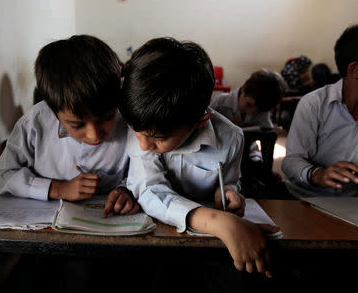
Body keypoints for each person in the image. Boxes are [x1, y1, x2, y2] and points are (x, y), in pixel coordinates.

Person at [119, 37, 280, 284]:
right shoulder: (145, 123)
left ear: (201, 120)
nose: (143, 145)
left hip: (204, 245)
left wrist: (227, 194)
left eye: (158, 138)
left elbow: (230, 182)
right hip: (155, 239)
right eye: (136, 131)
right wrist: (218, 222)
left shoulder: (232, 138)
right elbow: (148, 189)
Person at [0, 35, 138, 216]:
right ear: (53, 110)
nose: (93, 135)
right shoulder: (36, 122)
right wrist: (56, 189)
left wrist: (126, 191)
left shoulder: (131, 119)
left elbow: (143, 173)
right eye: (76, 125)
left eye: (106, 117)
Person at [282, 24, 358, 197]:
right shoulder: (314, 104)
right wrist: (318, 174)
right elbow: (291, 161)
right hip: (306, 199)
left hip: (352, 205)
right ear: (354, 69)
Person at [210, 69, 287, 198]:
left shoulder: (262, 111)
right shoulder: (221, 102)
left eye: (257, 110)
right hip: (220, 158)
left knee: (269, 183)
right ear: (244, 89)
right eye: (249, 105)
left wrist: (266, 169)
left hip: (248, 159)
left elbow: (264, 140)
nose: (251, 112)